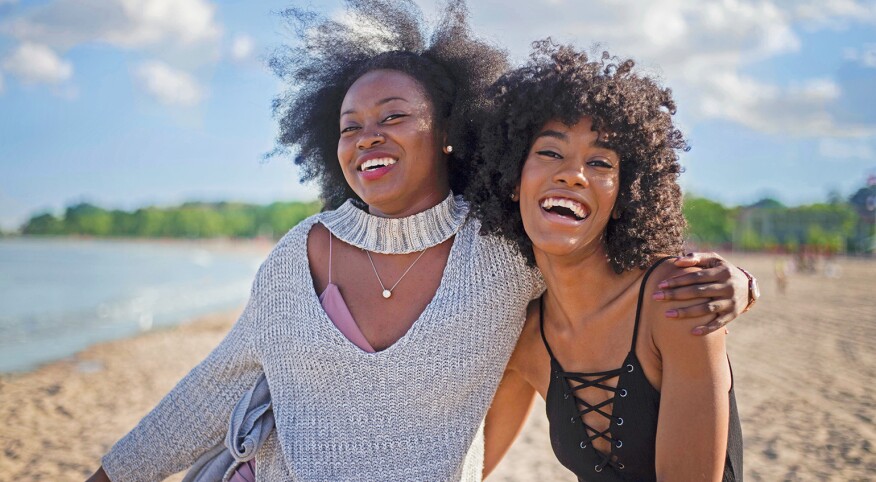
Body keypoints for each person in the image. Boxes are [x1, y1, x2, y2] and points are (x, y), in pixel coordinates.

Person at [88, 3, 751, 481]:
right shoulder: (300, 254)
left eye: (395, 117)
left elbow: (598, 257)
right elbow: (212, 390)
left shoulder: (503, 251)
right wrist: (109, 476)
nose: (368, 135)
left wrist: (740, 285)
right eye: (350, 126)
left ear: (450, 132)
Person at [471, 42, 743, 480]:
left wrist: (744, 284)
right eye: (550, 152)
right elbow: (465, 464)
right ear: (511, 181)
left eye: (599, 162)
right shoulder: (524, 336)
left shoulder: (673, 297)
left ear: (624, 196)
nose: (572, 173)